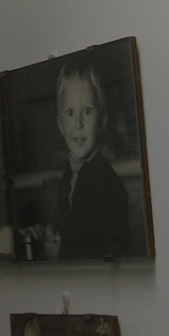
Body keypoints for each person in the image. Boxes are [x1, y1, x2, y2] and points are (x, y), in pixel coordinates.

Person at [54, 59, 130, 258]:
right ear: (60, 125)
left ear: (102, 119)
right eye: (70, 113)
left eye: (87, 110)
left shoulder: (106, 185)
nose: (78, 123)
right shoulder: (66, 180)